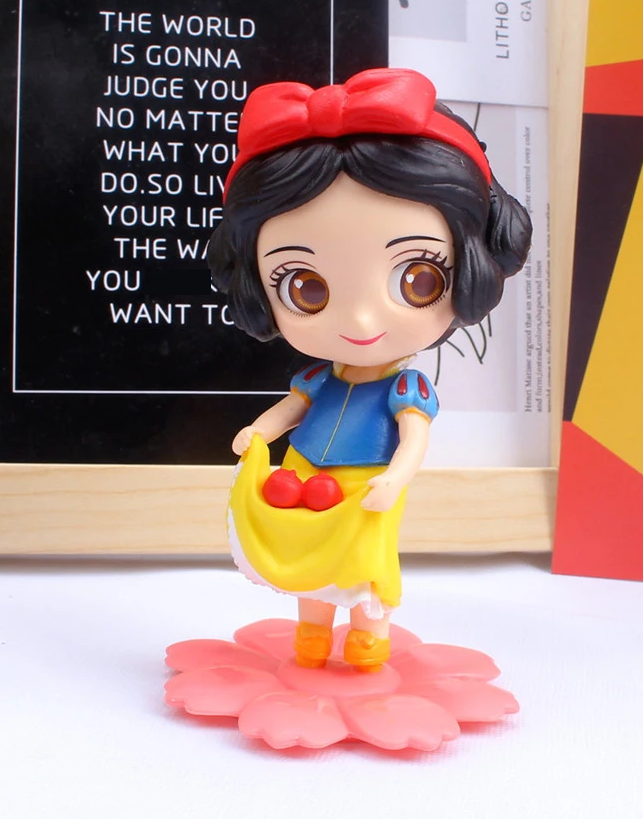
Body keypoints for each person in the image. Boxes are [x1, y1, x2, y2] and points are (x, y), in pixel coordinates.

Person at [208, 67, 531, 672]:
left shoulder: (405, 386)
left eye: (417, 280)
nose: (359, 320)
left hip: (364, 489)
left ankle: (366, 645)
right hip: (301, 476)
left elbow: (413, 438)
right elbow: (292, 409)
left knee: (363, 574)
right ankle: (310, 640)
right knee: (308, 571)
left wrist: (396, 478)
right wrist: (260, 431)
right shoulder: (318, 380)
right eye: (305, 287)